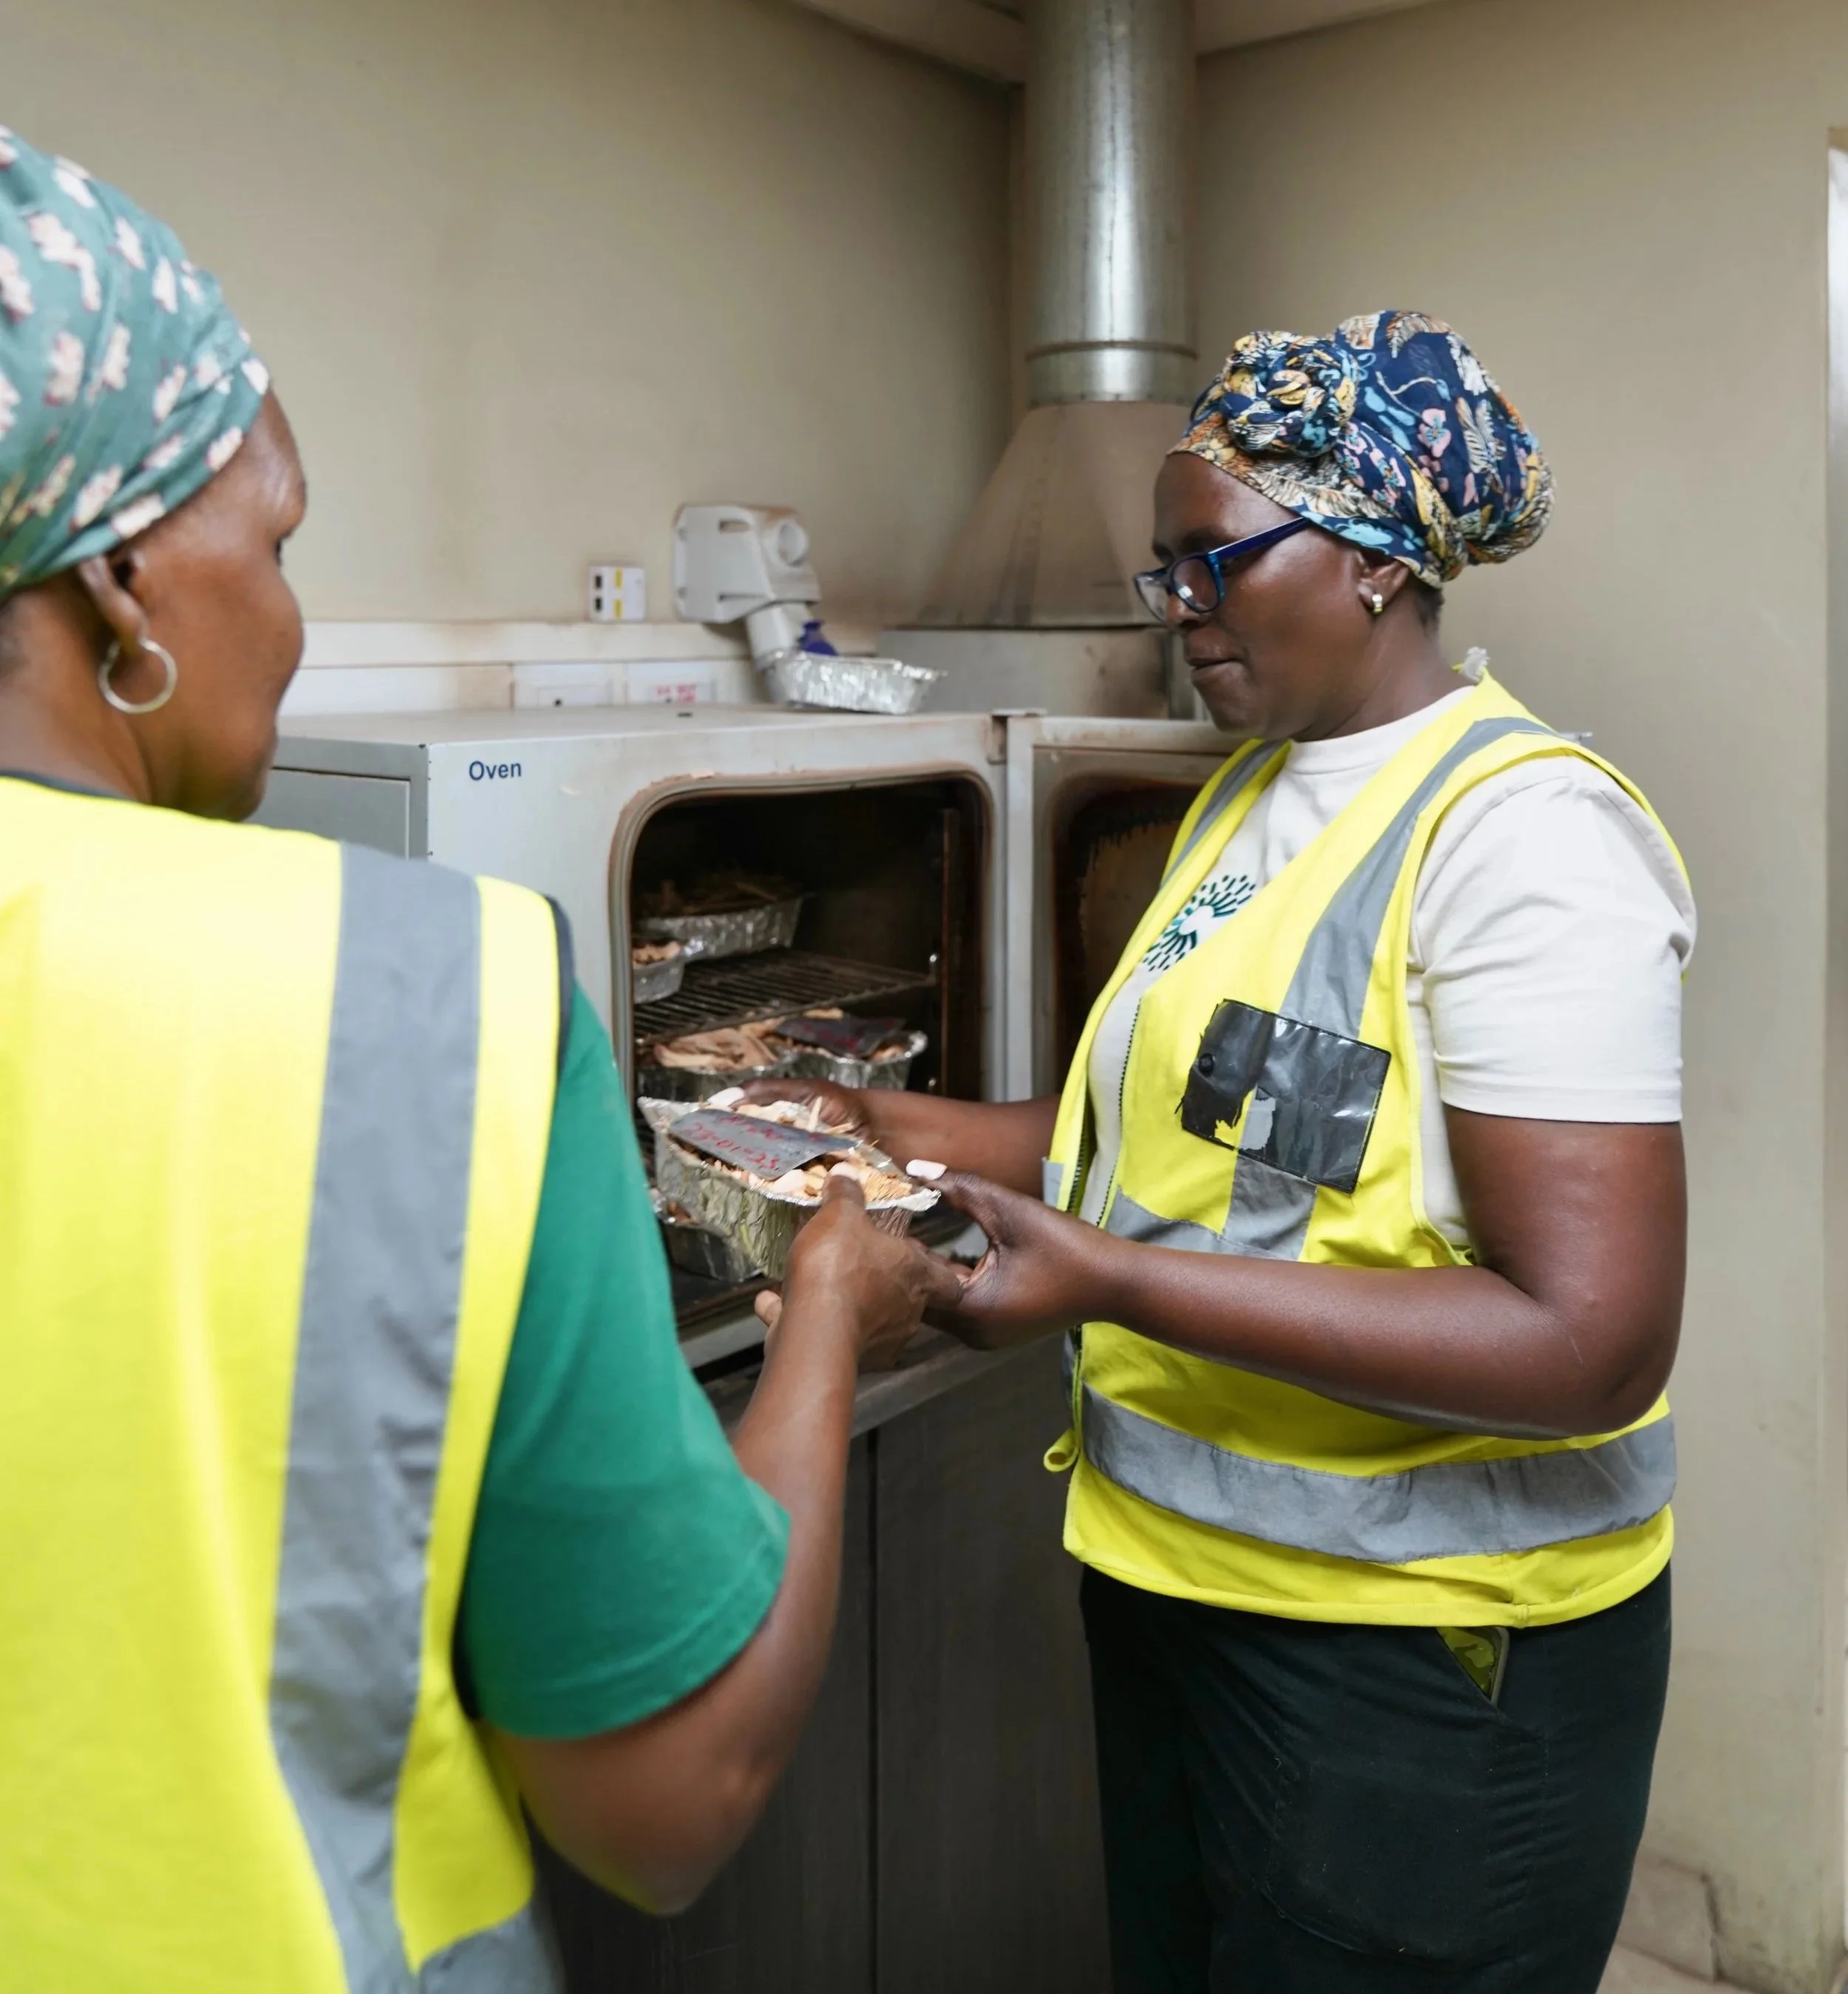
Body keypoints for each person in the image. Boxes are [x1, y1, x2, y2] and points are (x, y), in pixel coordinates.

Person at [0, 126, 958, 1990]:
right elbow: (671, 1792)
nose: (285, 620)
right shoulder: (414, 995)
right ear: (120, 574)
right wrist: (830, 1296)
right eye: (272, 542)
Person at [747, 312, 1694, 1991]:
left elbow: (1587, 1340)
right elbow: (1150, 1137)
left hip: (1421, 1662)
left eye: (1211, 561)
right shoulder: (1247, 801)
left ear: (1375, 558)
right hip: (1184, 1595)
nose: (1171, 605)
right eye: (1161, 567)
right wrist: (875, 1121)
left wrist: (1099, 1282)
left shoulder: (1523, 841)